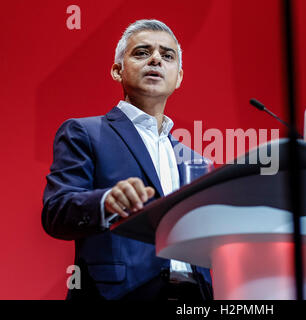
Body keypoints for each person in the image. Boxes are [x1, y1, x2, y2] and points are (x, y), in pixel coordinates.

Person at [42, 19, 213, 300]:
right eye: (142, 52)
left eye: (167, 56)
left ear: (179, 77)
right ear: (117, 70)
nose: (156, 59)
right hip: (119, 295)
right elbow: (56, 212)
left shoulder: (195, 161)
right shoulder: (84, 133)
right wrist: (105, 201)